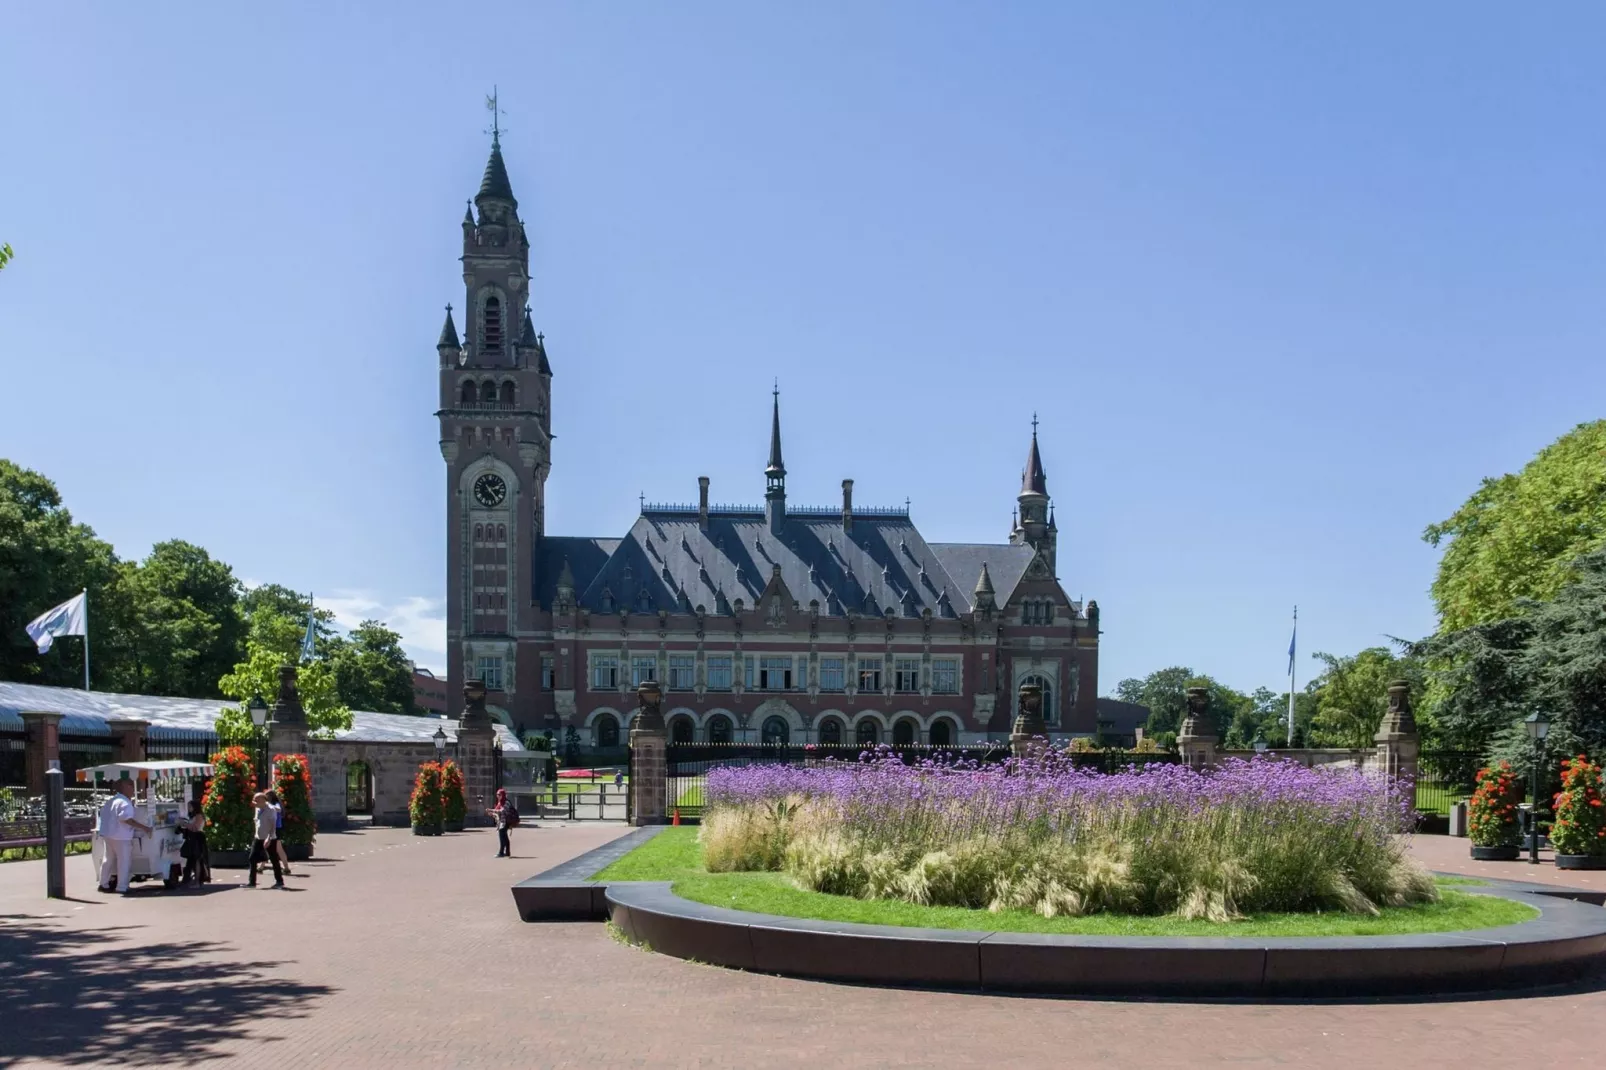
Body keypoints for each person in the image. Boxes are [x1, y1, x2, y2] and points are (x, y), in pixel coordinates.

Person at [98, 778, 151, 895]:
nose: (133, 790)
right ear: (125, 787)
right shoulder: (124, 803)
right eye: (131, 786)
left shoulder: (111, 801)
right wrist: (144, 827)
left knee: (108, 860)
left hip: (108, 834)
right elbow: (126, 819)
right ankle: (122, 887)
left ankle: (103, 884)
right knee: (123, 861)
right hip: (121, 836)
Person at [247, 791, 284, 889]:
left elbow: (273, 824)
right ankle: (252, 882)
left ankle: (279, 881)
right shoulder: (258, 808)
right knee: (252, 858)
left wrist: (269, 837)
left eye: (256, 800)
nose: (254, 802)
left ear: (263, 800)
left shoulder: (271, 809)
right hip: (258, 837)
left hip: (269, 837)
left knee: (274, 859)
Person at [179, 799, 210, 888]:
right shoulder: (193, 816)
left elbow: (195, 828)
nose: (188, 808)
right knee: (192, 860)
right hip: (192, 839)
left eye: (190, 807)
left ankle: (198, 881)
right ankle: (192, 880)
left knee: (197, 860)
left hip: (197, 838)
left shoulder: (199, 816)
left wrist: (184, 824)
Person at [266, 789, 293, 877]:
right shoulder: (273, 804)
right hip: (273, 828)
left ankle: (286, 867)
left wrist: (268, 806)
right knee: (269, 847)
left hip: (275, 828)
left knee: (277, 848)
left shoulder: (274, 804)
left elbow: (278, 810)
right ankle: (262, 866)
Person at [487, 788, 513, 858]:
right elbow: (497, 812)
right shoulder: (500, 802)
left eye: (499, 794)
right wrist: (491, 813)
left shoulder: (506, 802)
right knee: (505, 837)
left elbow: (502, 811)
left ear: (503, 795)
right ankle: (507, 852)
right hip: (501, 822)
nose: (498, 796)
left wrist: (492, 810)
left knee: (502, 837)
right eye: (497, 794)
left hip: (506, 822)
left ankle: (501, 852)